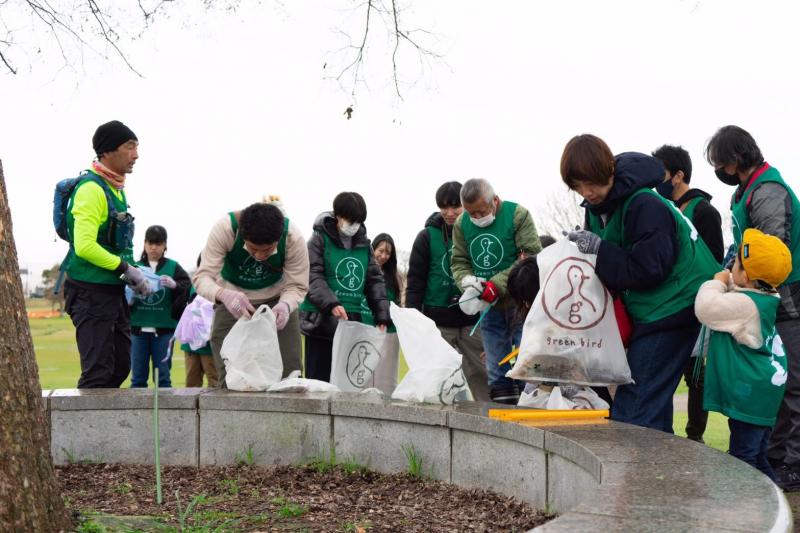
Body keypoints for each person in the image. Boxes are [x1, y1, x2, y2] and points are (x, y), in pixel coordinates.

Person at [560, 134, 718, 432]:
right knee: (648, 406)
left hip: (674, 306)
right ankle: (661, 474)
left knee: (634, 409)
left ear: (608, 170)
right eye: (577, 186)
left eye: (590, 182)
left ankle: (634, 476)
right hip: (652, 309)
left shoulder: (645, 203)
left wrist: (599, 250)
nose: (587, 192)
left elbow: (650, 268)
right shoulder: (597, 208)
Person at [705, 125, 800, 489]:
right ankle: (775, 458)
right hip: (769, 302)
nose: (719, 171)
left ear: (735, 159)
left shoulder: (769, 191)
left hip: (788, 302)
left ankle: (792, 461)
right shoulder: (745, 193)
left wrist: (732, 284)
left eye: (720, 163)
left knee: (788, 382)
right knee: (774, 381)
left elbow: (773, 255)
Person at [695, 228, 792, 480]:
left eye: (736, 263)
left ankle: (748, 512)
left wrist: (717, 281)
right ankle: (773, 501)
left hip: (750, 396)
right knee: (757, 456)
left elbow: (705, 308)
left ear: (746, 277)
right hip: (763, 395)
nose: (730, 266)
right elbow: (743, 291)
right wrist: (732, 280)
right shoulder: (765, 296)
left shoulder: (746, 306)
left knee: (743, 458)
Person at [63, 120, 153, 388]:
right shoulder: (91, 189)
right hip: (89, 294)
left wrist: (138, 275)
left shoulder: (115, 189)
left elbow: (117, 243)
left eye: (136, 147)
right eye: (129, 146)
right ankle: (87, 429)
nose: (136, 154)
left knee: (120, 365)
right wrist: (126, 269)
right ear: (107, 151)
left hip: (112, 293)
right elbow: (85, 246)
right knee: (97, 373)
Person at [652, 144, 725, 443]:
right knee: (664, 373)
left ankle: (695, 437)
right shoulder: (661, 209)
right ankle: (663, 436)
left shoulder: (704, 211)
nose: (657, 183)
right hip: (666, 304)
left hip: (695, 305)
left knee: (695, 377)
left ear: (678, 175)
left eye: (662, 175)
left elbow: (715, 259)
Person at [193, 202, 309, 386]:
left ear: (278, 239)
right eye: (253, 249)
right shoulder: (225, 229)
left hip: (277, 299)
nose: (259, 256)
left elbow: (297, 285)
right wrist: (223, 294)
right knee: (229, 371)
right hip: (233, 300)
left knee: (291, 371)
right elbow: (202, 277)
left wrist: (286, 305)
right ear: (242, 235)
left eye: (267, 250)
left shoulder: (293, 237)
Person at [451, 178, 541, 404]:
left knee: (526, 359)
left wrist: (497, 284)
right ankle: (502, 410)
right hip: (488, 305)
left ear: (495, 201)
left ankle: (529, 404)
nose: (478, 218)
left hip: (522, 302)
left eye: (482, 212)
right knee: (495, 364)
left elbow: (530, 256)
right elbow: (459, 261)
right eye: (473, 214)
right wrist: (469, 283)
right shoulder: (462, 224)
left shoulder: (517, 215)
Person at [406, 181, 490, 402]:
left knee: (482, 374)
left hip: (472, 321)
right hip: (438, 321)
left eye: (456, 207)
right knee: (438, 377)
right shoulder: (426, 237)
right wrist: (414, 318)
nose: (450, 213)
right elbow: (415, 282)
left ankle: (490, 420)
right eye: (444, 207)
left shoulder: (478, 232)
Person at [299, 192, 390, 381]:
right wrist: (331, 304)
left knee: (345, 381)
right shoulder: (318, 240)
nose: (354, 226)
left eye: (358, 222)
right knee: (319, 381)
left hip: (352, 323)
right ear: (337, 216)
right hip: (321, 322)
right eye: (350, 221)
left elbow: (374, 280)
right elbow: (312, 276)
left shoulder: (364, 245)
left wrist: (381, 314)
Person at [129, 225, 190, 387]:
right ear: (144, 244)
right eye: (150, 243)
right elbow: (122, 297)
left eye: (158, 243)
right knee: (137, 379)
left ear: (165, 245)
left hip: (164, 331)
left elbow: (187, 289)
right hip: (137, 330)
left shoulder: (173, 267)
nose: (154, 247)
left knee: (163, 378)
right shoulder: (134, 267)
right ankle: (138, 412)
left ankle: (164, 413)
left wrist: (175, 285)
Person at [360, 233, 401, 394]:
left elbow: (397, 306)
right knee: (362, 375)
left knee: (385, 379)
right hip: (363, 329)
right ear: (373, 249)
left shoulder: (394, 278)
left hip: (387, 334)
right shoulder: (362, 270)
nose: (383, 256)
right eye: (380, 250)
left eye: (388, 253)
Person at [181, 255, 218, 388]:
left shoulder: (222, 287)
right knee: (192, 381)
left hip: (210, 345)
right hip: (191, 343)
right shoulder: (192, 286)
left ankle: (213, 409)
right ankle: (191, 409)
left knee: (215, 381)